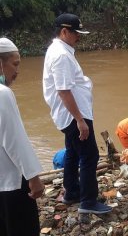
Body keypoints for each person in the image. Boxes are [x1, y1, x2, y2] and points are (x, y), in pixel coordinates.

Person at [42, 13, 111, 214]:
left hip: (70, 114)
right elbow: (63, 90)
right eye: (76, 33)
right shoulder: (61, 55)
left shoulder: (60, 50)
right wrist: (80, 120)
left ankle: (72, 191)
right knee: (90, 155)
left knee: (73, 152)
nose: (78, 37)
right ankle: (88, 202)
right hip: (73, 115)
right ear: (64, 31)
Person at [0, 37, 44, 235]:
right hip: (11, 181)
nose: (17, 71)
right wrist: (33, 178)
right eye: (15, 64)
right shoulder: (3, 94)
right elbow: (14, 140)